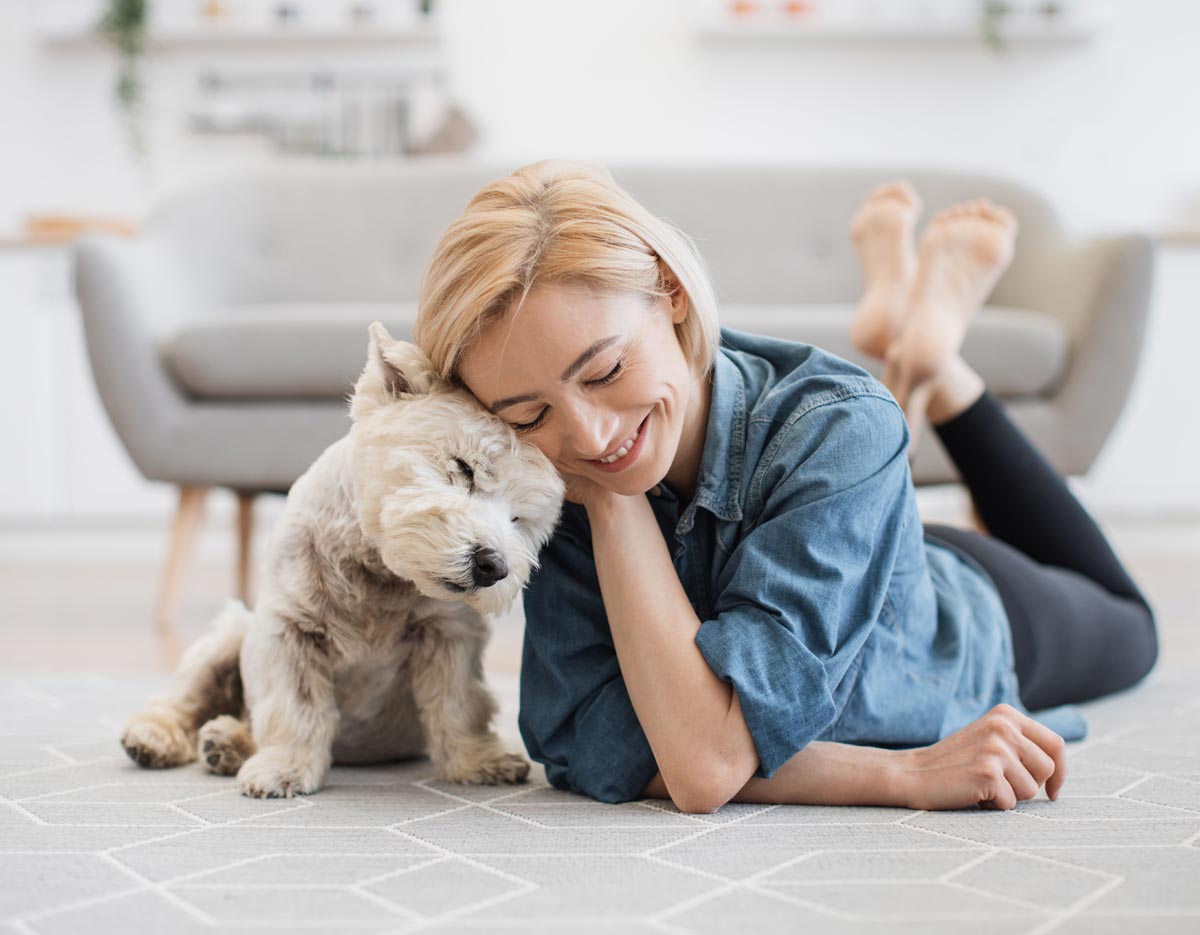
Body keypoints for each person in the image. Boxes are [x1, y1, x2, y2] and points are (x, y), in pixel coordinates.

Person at [412, 161, 1158, 815]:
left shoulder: (837, 428)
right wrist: (899, 774)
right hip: (838, 528)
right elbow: (594, 744)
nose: (591, 438)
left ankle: (939, 365)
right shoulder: (545, 475)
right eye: (530, 412)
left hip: (957, 610)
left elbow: (697, 765)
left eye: (605, 371)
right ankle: (913, 335)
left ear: (669, 291)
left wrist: (609, 495)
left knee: (1135, 631)